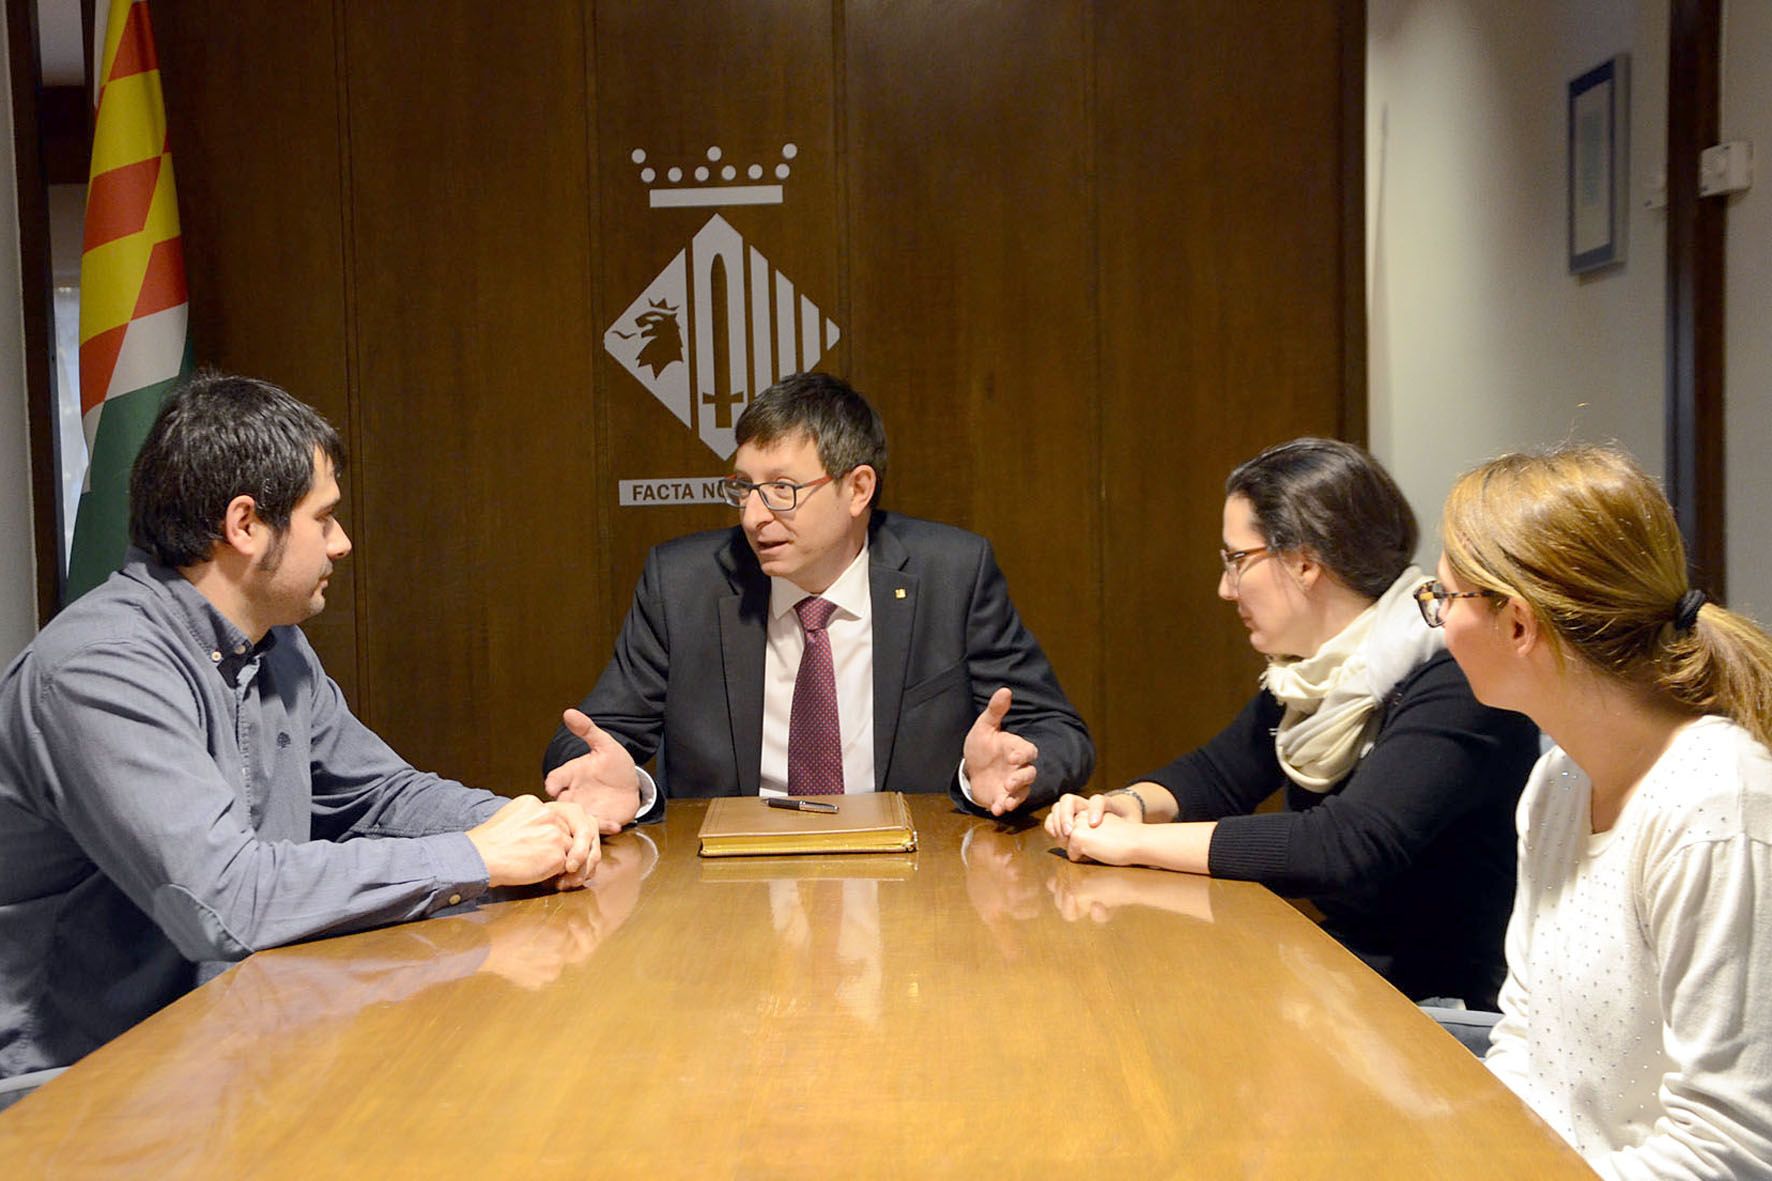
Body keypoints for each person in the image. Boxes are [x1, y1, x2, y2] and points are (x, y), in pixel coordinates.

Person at [0, 373, 598, 1087]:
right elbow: (226, 901)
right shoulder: (98, 668)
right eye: (325, 518)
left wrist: (525, 821)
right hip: (77, 1086)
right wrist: (476, 855)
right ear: (245, 524)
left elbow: (379, 796)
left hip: (224, 1040)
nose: (342, 544)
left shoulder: (275, 645)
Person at [1046, 438, 1537, 1007]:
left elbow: (1342, 846)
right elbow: (1217, 775)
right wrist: (1124, 805)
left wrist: (1134, 842)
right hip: (1349, 979)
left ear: (1305, 562)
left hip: (1446, 1008)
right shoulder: (1309, 674)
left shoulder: (1453, 676)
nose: (1225, 589)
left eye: (1237, 561)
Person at [543, 371, 1093, 824]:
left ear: (857, 489)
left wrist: (1004, 776)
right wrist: (624, 784)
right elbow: (591, 743)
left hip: (917, 881)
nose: (755, 516)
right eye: (744, 488)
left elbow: (1058, 732)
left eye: (783, 490)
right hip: (727, 888)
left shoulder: (951, 574)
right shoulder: (683, 583)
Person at [1434, 444, 1772, 1179]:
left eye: (1445, 599)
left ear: (1517, 623)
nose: (1438, 623)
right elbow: (1525, 1037)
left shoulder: (1717, 806)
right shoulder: (1558, 780)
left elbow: (1730, 1149)